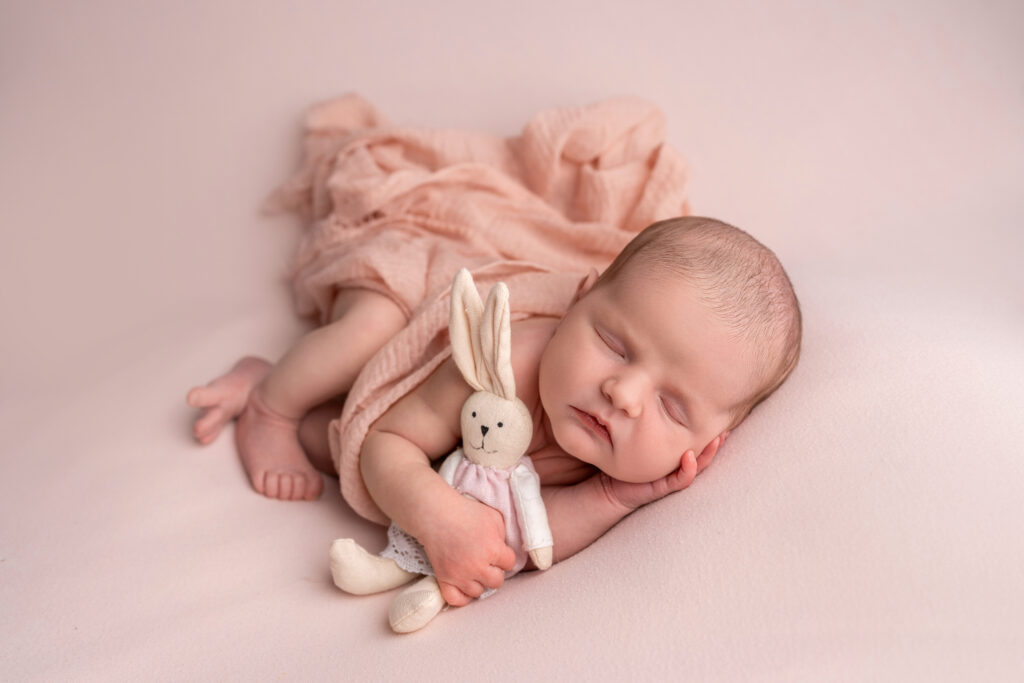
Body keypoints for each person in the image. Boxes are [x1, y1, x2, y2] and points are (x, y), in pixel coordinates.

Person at [187, 216, 801, 608]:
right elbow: (384, 442)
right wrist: (438, 516)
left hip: (433, 437)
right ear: (579, 300)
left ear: (714, 440)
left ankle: (277, 395)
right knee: (365, 335)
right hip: (412, 289)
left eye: (671, 406)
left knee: (326, 443)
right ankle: (269, 400)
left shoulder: (626, 461)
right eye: (614, 344)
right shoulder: (506, 360)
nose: (624, 394)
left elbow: (532, 534)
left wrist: (614, 501)